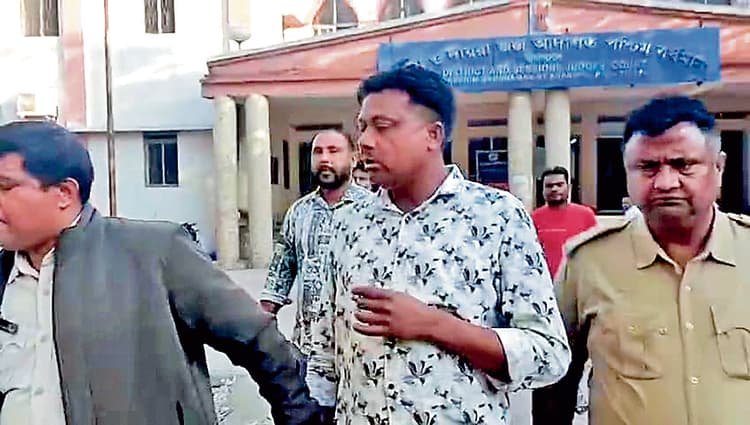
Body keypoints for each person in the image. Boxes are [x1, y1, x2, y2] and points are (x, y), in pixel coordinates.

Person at [0, 121, 325, 425]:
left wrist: (299, 416)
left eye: (4, 186)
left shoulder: (154, 252)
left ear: (64, 193)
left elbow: (259, 340)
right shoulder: (5, 276)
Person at [306, 64, 570, 424]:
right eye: (362, 127)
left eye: (382, 126)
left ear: (433, 135)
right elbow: (325, 350)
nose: (365, 141)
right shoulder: (347, 223)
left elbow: (548, 354)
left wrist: (435, 325)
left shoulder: (497, 217)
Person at [533, 96, 750, 425]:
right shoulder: (588, 263)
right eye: (647, 167)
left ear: (718, 168)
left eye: (683, 164)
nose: (665, 183)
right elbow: (554, 382)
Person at [260, 130, 372, 390]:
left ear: (353, 159)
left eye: (334, 151)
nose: (325, 159)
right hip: (310, 352)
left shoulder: (373, 211)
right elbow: (279, 275)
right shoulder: (299, 212)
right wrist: (258, 327)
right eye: (318, 152)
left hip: (361, 350)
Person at [532, 166, 598, 279]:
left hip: (578, 280)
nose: (554, 189)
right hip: (544, 282)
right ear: (542, 189)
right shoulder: (533, 218)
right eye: (549, 186)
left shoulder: (586, 215)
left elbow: (596, 250)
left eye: (559, 185)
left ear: (569, 187)